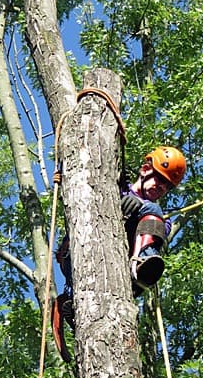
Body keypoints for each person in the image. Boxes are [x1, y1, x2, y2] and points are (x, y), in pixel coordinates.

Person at [51, 146, 186, 361]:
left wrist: (140, 207)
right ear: (144, 170)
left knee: (153, 212)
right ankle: (135, 266)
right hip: (81, 250)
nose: (160, 187)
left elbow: (162, 230)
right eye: (159, 179)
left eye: (166, 186)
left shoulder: (158, 216)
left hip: (120, 269)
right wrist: (64, 180)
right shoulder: (115, 186)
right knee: (151, 210)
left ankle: (78, 309)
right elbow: (83, 198)